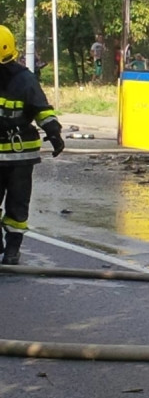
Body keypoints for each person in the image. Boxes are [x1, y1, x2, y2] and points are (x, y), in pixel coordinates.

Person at [0, 24, 64, 265]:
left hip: (19, 157)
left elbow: (42, 110)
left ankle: (12, 250)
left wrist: (54, 132)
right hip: (17, 156)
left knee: (17, 204)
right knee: (17, 203)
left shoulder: (25, 80)